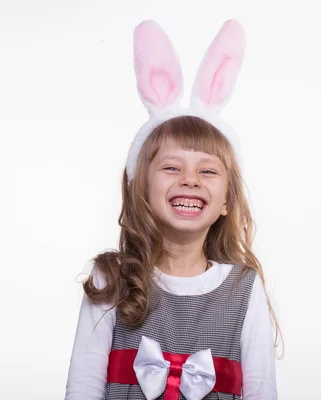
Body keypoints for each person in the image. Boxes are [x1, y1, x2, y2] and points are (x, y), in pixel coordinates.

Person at [65, 18, 281, 400]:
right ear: (142, 187)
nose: (190, 179)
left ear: (227, 200)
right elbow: (83, 387)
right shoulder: (110, 279)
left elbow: (262, 390)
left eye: (208, 170)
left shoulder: (243, 289)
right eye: (171, 167)